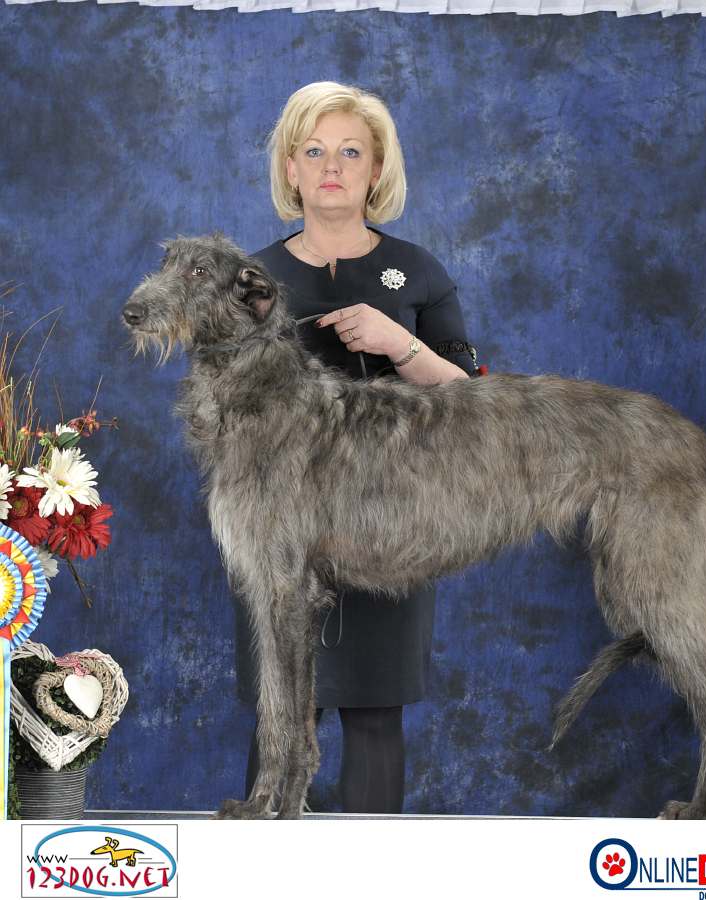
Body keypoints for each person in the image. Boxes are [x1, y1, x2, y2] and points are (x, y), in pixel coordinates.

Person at [234, 82, 478, 814]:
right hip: (281, 520)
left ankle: (374, 869)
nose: (331, 167)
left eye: (350, 152)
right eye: (313, 152)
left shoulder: (418, 270)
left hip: (390, 520)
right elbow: (221, 404)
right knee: (283, 709)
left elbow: (471, 397)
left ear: (376, 171)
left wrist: (400, 343)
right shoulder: (249, 279)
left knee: (374, 711)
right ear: (290, 168)